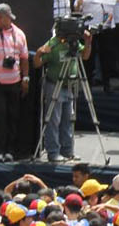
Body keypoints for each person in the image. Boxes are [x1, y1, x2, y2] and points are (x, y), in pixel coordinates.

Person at [32, 25, 92, 164]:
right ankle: (53, 152)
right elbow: (37, 64)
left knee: (69, 119)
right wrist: (39, 53)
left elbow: (86, 56)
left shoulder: (75, 43)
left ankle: (67, 151)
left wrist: (88, 42)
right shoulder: (53, 44)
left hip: (70, 84)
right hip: (55, 84)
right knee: (54, 120)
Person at [0, 3, 29, 162]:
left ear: (9, 17)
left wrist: (26, 78)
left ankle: (10, 150)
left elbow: (24, 59)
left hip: (14, 81)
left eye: (0, 16)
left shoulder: (19, 34)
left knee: (12, 116)